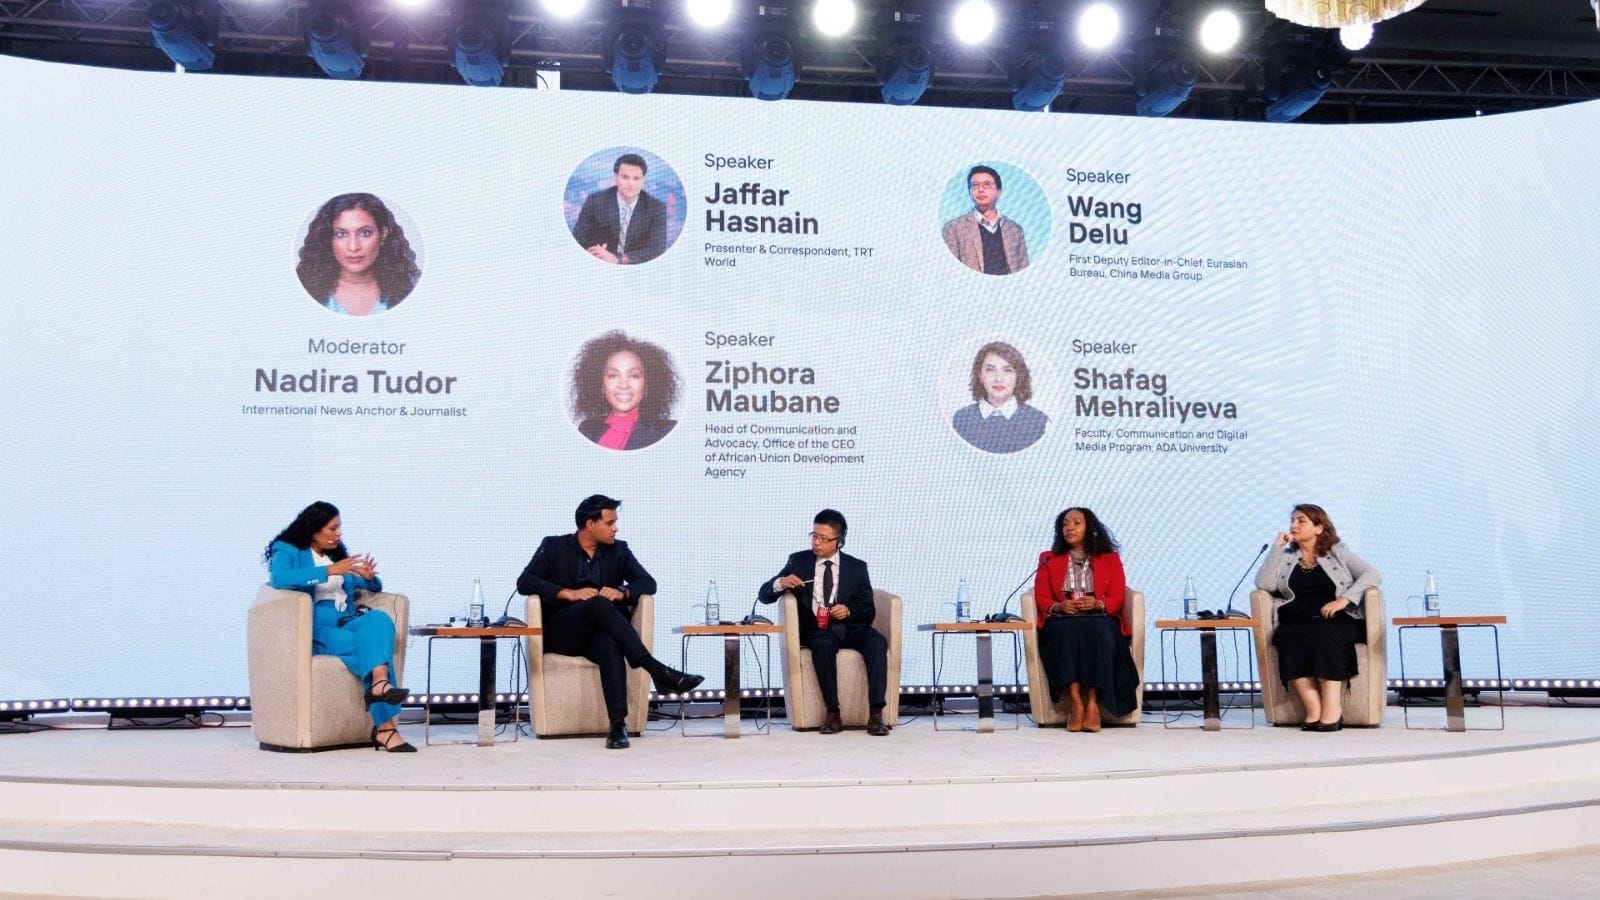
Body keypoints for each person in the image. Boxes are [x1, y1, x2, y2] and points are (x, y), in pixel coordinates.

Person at [515, 495, 704, 748]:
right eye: (610, 522)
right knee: (598, 603)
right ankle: (657, 670)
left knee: (609, 642)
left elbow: (648, 583)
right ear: (590, 524)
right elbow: (525, 582)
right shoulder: (554, 546)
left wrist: (623, 592)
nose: (616, 528)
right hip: (563, 632)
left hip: (595, 635)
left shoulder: (619, 550)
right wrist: (567, 593)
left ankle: (617, 725)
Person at [264, 501, 415, 752]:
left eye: (339, 528)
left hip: (348, 621)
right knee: (372, 649)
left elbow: (367, 586)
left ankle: (379, 682)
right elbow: (279, 578)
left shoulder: (336, 555)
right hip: (318, 628)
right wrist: (329, 570)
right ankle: (386, 728)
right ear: (315, 530)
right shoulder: (288, 549)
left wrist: (369, 578)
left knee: (379, 619)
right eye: (333, 528)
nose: (339, 534)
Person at [757, 510, 890, 736]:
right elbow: (764, 595)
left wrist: (848, 611)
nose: (816, 543)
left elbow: (868, 610)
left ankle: (876, 714)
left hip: (850, 627)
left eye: (824, 538)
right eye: (814, 535)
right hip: (817, 629)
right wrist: (782, 582)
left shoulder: (857, 567)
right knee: (822, 644)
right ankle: (833, 712)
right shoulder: (799, 561)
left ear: (839, 541)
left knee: (877, 641)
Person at [1256, 504, 1382, 731]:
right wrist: (1276, 548)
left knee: (1324, 633)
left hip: (1337, 618)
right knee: (1288, 636)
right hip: (1297, 619)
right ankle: (1313, 709)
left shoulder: (1337, 553)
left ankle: (1332, 709)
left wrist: (1344, 599)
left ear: (1319, 527)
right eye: (1292, 520)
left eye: (1301, 521)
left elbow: (1372, 574)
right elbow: (1264, 584)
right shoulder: (1286, 558)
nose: (1293, 525)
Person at [1033, 508, 1139, 732]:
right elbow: (1041, 596)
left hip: (1098, 615)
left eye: (1076, 523)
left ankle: (1092, 702)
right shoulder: (1048, 558)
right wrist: (1058, 606)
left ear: (1089, 528)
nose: (1069, 528)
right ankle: (1076, 704)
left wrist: (1099, 603)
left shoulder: (1110, 558)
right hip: (1063, 617)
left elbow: (1118, 596)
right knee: (1065, 631)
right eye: (1064, 524)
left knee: (1099, 630)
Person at [296, 193, 420, 315]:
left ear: (383, 235)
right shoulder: (301, 292)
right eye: (341, 234)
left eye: (365, 233)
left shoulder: (412, 293)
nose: (353, 247)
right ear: (328, 238)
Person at [570, 330, 680, 451]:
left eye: (634, 376)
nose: (623, 385)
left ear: (648, 384)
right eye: (613, 375)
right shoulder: (587, 430)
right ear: (601, 384)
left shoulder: (668, 431)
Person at [571, 153, 669, 265]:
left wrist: (618, 259)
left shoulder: (656, 207)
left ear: (643, 180)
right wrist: (593, 253)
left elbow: (656, 249)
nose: (631, 184)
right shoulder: (595, 201)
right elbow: (578, 239)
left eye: (636, 178)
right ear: (616, 178)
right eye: (625, 177)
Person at [951, 341, 1049, 453]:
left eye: (1007, 370)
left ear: (1018, 376)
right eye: (990, 370)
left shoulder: (1038, 421)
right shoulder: (962, 419)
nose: (998, 378)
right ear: (980, 375)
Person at [941, 165, 1030, 275]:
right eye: (975, 185)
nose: (980, 189)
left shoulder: (1015, 230)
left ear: (999, 192)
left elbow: (1024, 272)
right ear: (969, 192)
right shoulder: (954, 228)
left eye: (987, 185)